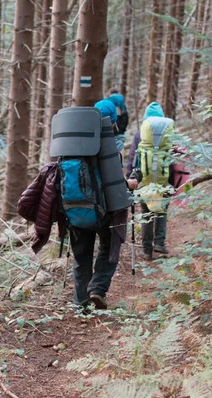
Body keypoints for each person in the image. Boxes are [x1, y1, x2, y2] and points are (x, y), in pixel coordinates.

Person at [68, 99, 137, 310]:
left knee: (81, 256)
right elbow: (112, 179)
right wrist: (131, 183)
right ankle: (97, 289)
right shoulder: (113, 145)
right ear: (112, 122)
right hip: (104, 209)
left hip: (76, 207)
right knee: (109, 247)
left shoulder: (70, 143)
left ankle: (81, 304)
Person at [126, 102, 171, 260]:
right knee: (161, 210)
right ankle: (159, 242)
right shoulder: (167, 133)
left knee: (146, 213)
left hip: (144, 180)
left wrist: (130, 177)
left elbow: (133, 157)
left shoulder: (140, 134)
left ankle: (147, 250)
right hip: (164, 180)